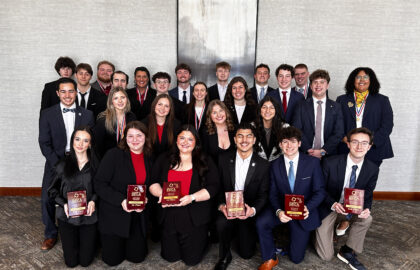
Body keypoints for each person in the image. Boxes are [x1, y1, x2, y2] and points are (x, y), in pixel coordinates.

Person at [149, 125, 220, 266]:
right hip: (168, 215)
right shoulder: (164, 158)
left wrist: (192, 197)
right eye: (182, 138)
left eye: (190, 139)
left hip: (194, 216)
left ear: (196, 142)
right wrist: (162, 194)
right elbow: (152, 183)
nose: (185, 142)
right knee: (170, 257)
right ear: (176, 141)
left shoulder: (205, 160)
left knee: (191, 260)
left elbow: (213, 187)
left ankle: (203, 238)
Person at [256, 126, 325, 269]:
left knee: (296, 258)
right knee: (261, 222)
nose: (289, 145)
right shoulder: (274, 165)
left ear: (299, 143)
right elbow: (273, 194)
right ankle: (269, 257)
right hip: (282, 208)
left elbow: (320, 192)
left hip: (303, 213)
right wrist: (278, 212)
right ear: (280, 145)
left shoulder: (312, 163)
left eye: (293, 141)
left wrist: (308, 208)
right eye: (285, 142)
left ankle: (292, 241)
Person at [39, 77, 94, 251]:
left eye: (71, 91)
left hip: (81, 161)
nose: (68, 95)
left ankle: (82, 228)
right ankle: (50, 234)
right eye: (63, 91)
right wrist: (58, 165)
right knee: (46, 198)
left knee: (85, 193)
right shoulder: (47, 114)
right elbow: (44, 143)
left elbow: (91, 142)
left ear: (76, 92)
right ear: (57, 93)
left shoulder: (87, 114)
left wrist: (83, 160)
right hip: (56, 162)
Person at [315, 128, 379, 270]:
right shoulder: (330, 163)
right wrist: (332, 203)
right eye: (355, 142)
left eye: (364, 143)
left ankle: (348, 250)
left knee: (367, 218)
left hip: (352, 208)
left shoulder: (372, 168)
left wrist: (367, 209)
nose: (359, 146)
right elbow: (319, 190)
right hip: (329, 207)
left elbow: (368, 193)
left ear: (369, 147)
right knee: (325, 256)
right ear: (348, 144)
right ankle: (328, 229)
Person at [95, 121, 153, 266]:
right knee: (112, 261)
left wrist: (146, 200)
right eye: (130, 136)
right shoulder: (113, 155)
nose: (134, 140)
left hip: (137, 216)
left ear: (146, 137)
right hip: (114, 214)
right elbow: (99, 184)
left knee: (137, 257)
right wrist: (122, 201)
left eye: (139, 136)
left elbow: (151, 185)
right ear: (124, 137)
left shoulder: (149, 157)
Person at [215, 123, 270, 270]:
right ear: (234, 139)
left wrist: (252, 210)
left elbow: (263, 195)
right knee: (221, 223)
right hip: (228, 209)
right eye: (240, 136)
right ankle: (225, 255)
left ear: (254, 140)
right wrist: (221, 206)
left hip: (247, 212)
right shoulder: (223, 159)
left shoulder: (263, 165)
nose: (244, 140)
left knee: (246, 254)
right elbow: (217, 187)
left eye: (248, 136)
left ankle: (241, 235)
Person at [47, 126, 99, 267]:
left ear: (90, 144)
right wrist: (63, 204)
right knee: (71, 262)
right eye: (77, 139)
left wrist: (93, 201)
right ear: (72, 141)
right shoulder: (62, 165)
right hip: (67, 217)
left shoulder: (96, 166)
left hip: (89, 217)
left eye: (85, 140)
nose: (80, 144)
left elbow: (100, 189)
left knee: (85, 262)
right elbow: (51, 190)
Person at [336, 67, 393, 167]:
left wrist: (370, 142)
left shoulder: (382, 100)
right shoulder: (342, 100)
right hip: (348, 147)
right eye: (358, 77)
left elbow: (387, 125)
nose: (362, 80)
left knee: (368, 179)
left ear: (371, 80)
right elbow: (336, 123)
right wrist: (343, 138)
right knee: (345, 179)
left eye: (365, 77)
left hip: (373, 148)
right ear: (353, 80)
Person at [292, 69, 344, 158]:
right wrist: (308, 149)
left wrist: (324, 151)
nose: (318, 85)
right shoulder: (301, 105)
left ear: (327, 85)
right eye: (315, 82)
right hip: (305, 154)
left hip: (329, 154)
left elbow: (339, 132)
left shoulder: (336, 107)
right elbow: (296, 129)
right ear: (311, 86)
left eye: (322, 82)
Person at [93, 87, 136, 159]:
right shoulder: (103, 120)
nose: (120, 101)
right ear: (111, 101)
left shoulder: (131, 117)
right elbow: (98, 146)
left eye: (122, 97)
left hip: (128, 157)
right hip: (108, 158)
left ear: (127, 100)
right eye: (116, 98)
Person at [143, 94, 181, 159]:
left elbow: (176, 148)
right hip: (148, 161)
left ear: (170, 109)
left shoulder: (176, 124)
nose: (162, 108)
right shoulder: (144, 123)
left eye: (166, 106)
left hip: (169, 161)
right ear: (154, 105)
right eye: (160, 104)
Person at [200, 100, 235, 165]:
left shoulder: (235, 130)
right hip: (213, 172)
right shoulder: (205, 132)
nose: (219, 115)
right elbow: (204, 157)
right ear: (210, 116)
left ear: (226, 112)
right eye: (214, 112)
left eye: (221, 110)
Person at [255, 96, 286, 161]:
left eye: (271, 108)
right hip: (256, 167)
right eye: (264, 107)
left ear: (276, 110)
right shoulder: (252, 127)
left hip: (278, 166)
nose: (267, 111)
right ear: (260, 110)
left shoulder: (285, 127)